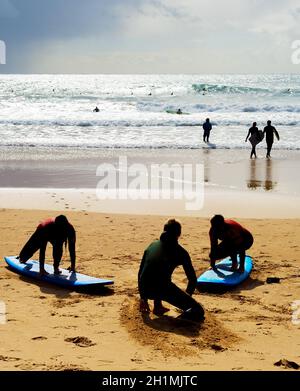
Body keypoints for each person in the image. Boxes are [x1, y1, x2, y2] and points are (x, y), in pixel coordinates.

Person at [138, 219, 205, 322]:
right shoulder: (181, 252)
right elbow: (192, 280)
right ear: (179, 234)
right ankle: (179, 320)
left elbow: (141, 272)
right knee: (197, 310)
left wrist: (143, 298)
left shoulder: (152, 245)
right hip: (162, 289)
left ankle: (157, 306)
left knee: (159, 272)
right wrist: (187, 298)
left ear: (164, 230)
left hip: (145, 290)